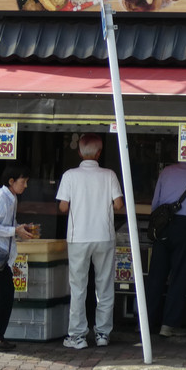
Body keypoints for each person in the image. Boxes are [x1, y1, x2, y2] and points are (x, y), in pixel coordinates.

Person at [56, 133, 125, 349]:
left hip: (79, 237)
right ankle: (103, 333)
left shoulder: (70, 175)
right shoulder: (109, 175)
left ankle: (77, 336)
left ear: (79, 152)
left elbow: (63, 207)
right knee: (104, 286)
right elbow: (119, 205)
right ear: (99, 152)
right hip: (104, 236)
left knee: (79, 287)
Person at [145, 161, 186, 337]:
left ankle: (145, 322)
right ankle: (169, 325)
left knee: (156, 275)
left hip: (162, 225)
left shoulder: (166, 171)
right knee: (179, 276)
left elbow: (155, 203)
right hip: (185, 228)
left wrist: (156, 225)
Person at [0, 162, 35, 352]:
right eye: (23, 181)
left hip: (4, 254)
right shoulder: (1, 198)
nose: (25, 185)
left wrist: (20, 229)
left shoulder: (10, 197)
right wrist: (15, 230)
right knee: (4, 295)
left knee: (4, 295)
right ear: (11, 181)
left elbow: (4, 225)